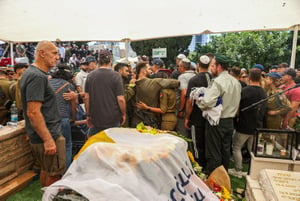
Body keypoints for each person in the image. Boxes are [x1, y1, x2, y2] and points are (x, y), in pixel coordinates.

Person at [20, 41, 66, 187]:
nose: (57, 57)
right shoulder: (37, 76)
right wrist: (48, 139)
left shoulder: (33, 74)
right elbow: (33, 112)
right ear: (42, 53)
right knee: (54, 175)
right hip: (48, 134)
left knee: (47, 171)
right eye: (54, 53)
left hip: (44, 134)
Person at [199, 54, 241, 175]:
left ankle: (214, 178)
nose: (211, 68)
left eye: (213, 65)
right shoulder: (235, 82)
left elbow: (207, 102)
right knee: (225, 150)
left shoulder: (217, 81)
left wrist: (199, 101)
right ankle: (224, 176)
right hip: (229, 121)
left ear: (219, 66)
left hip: (217, 121)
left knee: (213, 151)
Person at [229, 69, 267, 178]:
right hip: (257, 125)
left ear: (249, 78)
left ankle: (238, 170)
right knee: (252, 150)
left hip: (244, 124)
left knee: (236, 147)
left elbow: (237, 107)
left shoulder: (245, 90)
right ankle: (252, 171)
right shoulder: (263, 92)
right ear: (260, 78)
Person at [84, 49, 126, 136]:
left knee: (97, 145)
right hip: (113, 118)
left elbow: (86, 98)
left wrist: (88, 115)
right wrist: (123, 113)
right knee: (112, 145)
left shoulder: (90, 76)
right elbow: (120, 99)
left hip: (96, 118)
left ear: (98, 61)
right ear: (110, 60)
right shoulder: (116, 76)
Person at [131, 62, 180, 128]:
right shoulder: (155, 82)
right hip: (150, 120)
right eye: (149, 69)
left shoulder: (132, 85)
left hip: (135, 119)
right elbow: (176, 83)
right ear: (143, 71)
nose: (151, 71)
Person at [185, 55, 212, 169]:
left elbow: (189, 102)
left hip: (197, 117)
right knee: (207, 143)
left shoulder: (194, 80)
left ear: (198, 65)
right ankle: (207, 165)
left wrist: (187, 117)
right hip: (211, 117)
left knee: (196, 144)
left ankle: (198, 166)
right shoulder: (214, 78)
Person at [49, 64, 76, 169]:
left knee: (51, 145)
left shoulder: (47, 83)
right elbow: (73, 104)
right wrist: (73, 117)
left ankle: (52, 171)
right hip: (63, 117)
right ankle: (65, 172)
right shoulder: (68, 85)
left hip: (47, 119)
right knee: (67, 145)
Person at [176, 58, 196, 138]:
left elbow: (184, 93)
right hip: (195, 109)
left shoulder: (182, 77)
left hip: (185, 109)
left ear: (182, 67)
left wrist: (180, 110)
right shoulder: (196, 75)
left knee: (182, 133)